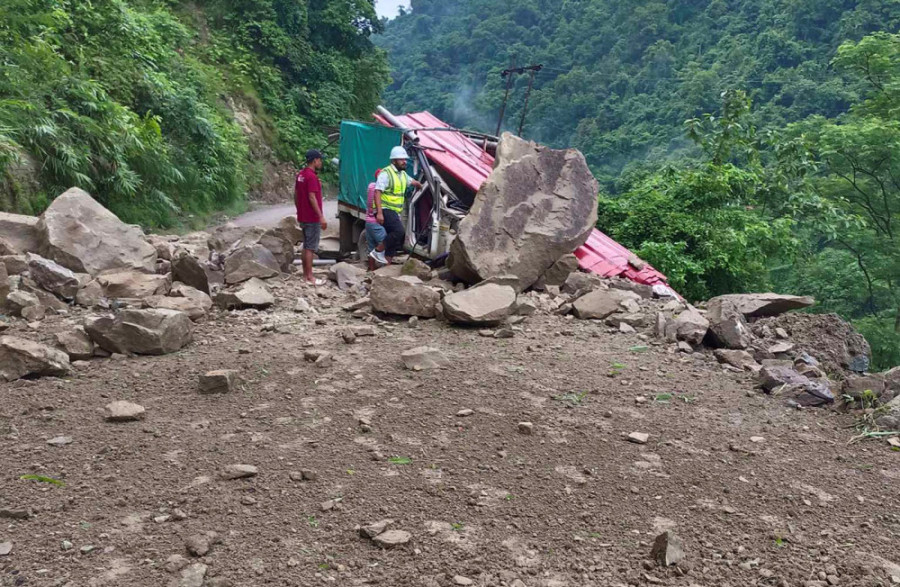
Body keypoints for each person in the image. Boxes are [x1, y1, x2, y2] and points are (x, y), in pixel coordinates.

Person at [372, 146, 423, 263]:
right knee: (399, 232)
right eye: (401, 159)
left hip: (395, 211)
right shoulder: (386, 173)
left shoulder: (402, 174)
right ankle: (377, 251)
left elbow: (411, 181)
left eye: (405, 159)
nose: (404, 162)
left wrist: (419, 184)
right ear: (394, 161)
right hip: (385, 209)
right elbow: (377, 191)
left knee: (396, 237)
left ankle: (386, 262)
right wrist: (379, 213)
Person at [295, 149, 327, 285]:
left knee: (306, 245)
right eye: (320, 160)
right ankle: (310, 277)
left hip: (303, 216)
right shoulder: (312, 177)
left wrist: (299, 210)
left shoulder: (300, 175)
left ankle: (305, 275)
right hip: (312, 217)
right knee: (310, 247)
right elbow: (312, 197)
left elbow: (296, 195)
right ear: (315, 161)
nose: (321, 162)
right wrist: (321, 216)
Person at [365, 169, 387, 270]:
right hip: (376, 222)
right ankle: (385, 271)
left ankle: (371, 269)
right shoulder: (378, 191)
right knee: (385, 244)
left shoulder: (370, 187)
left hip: (368, 221)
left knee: (371, 247)